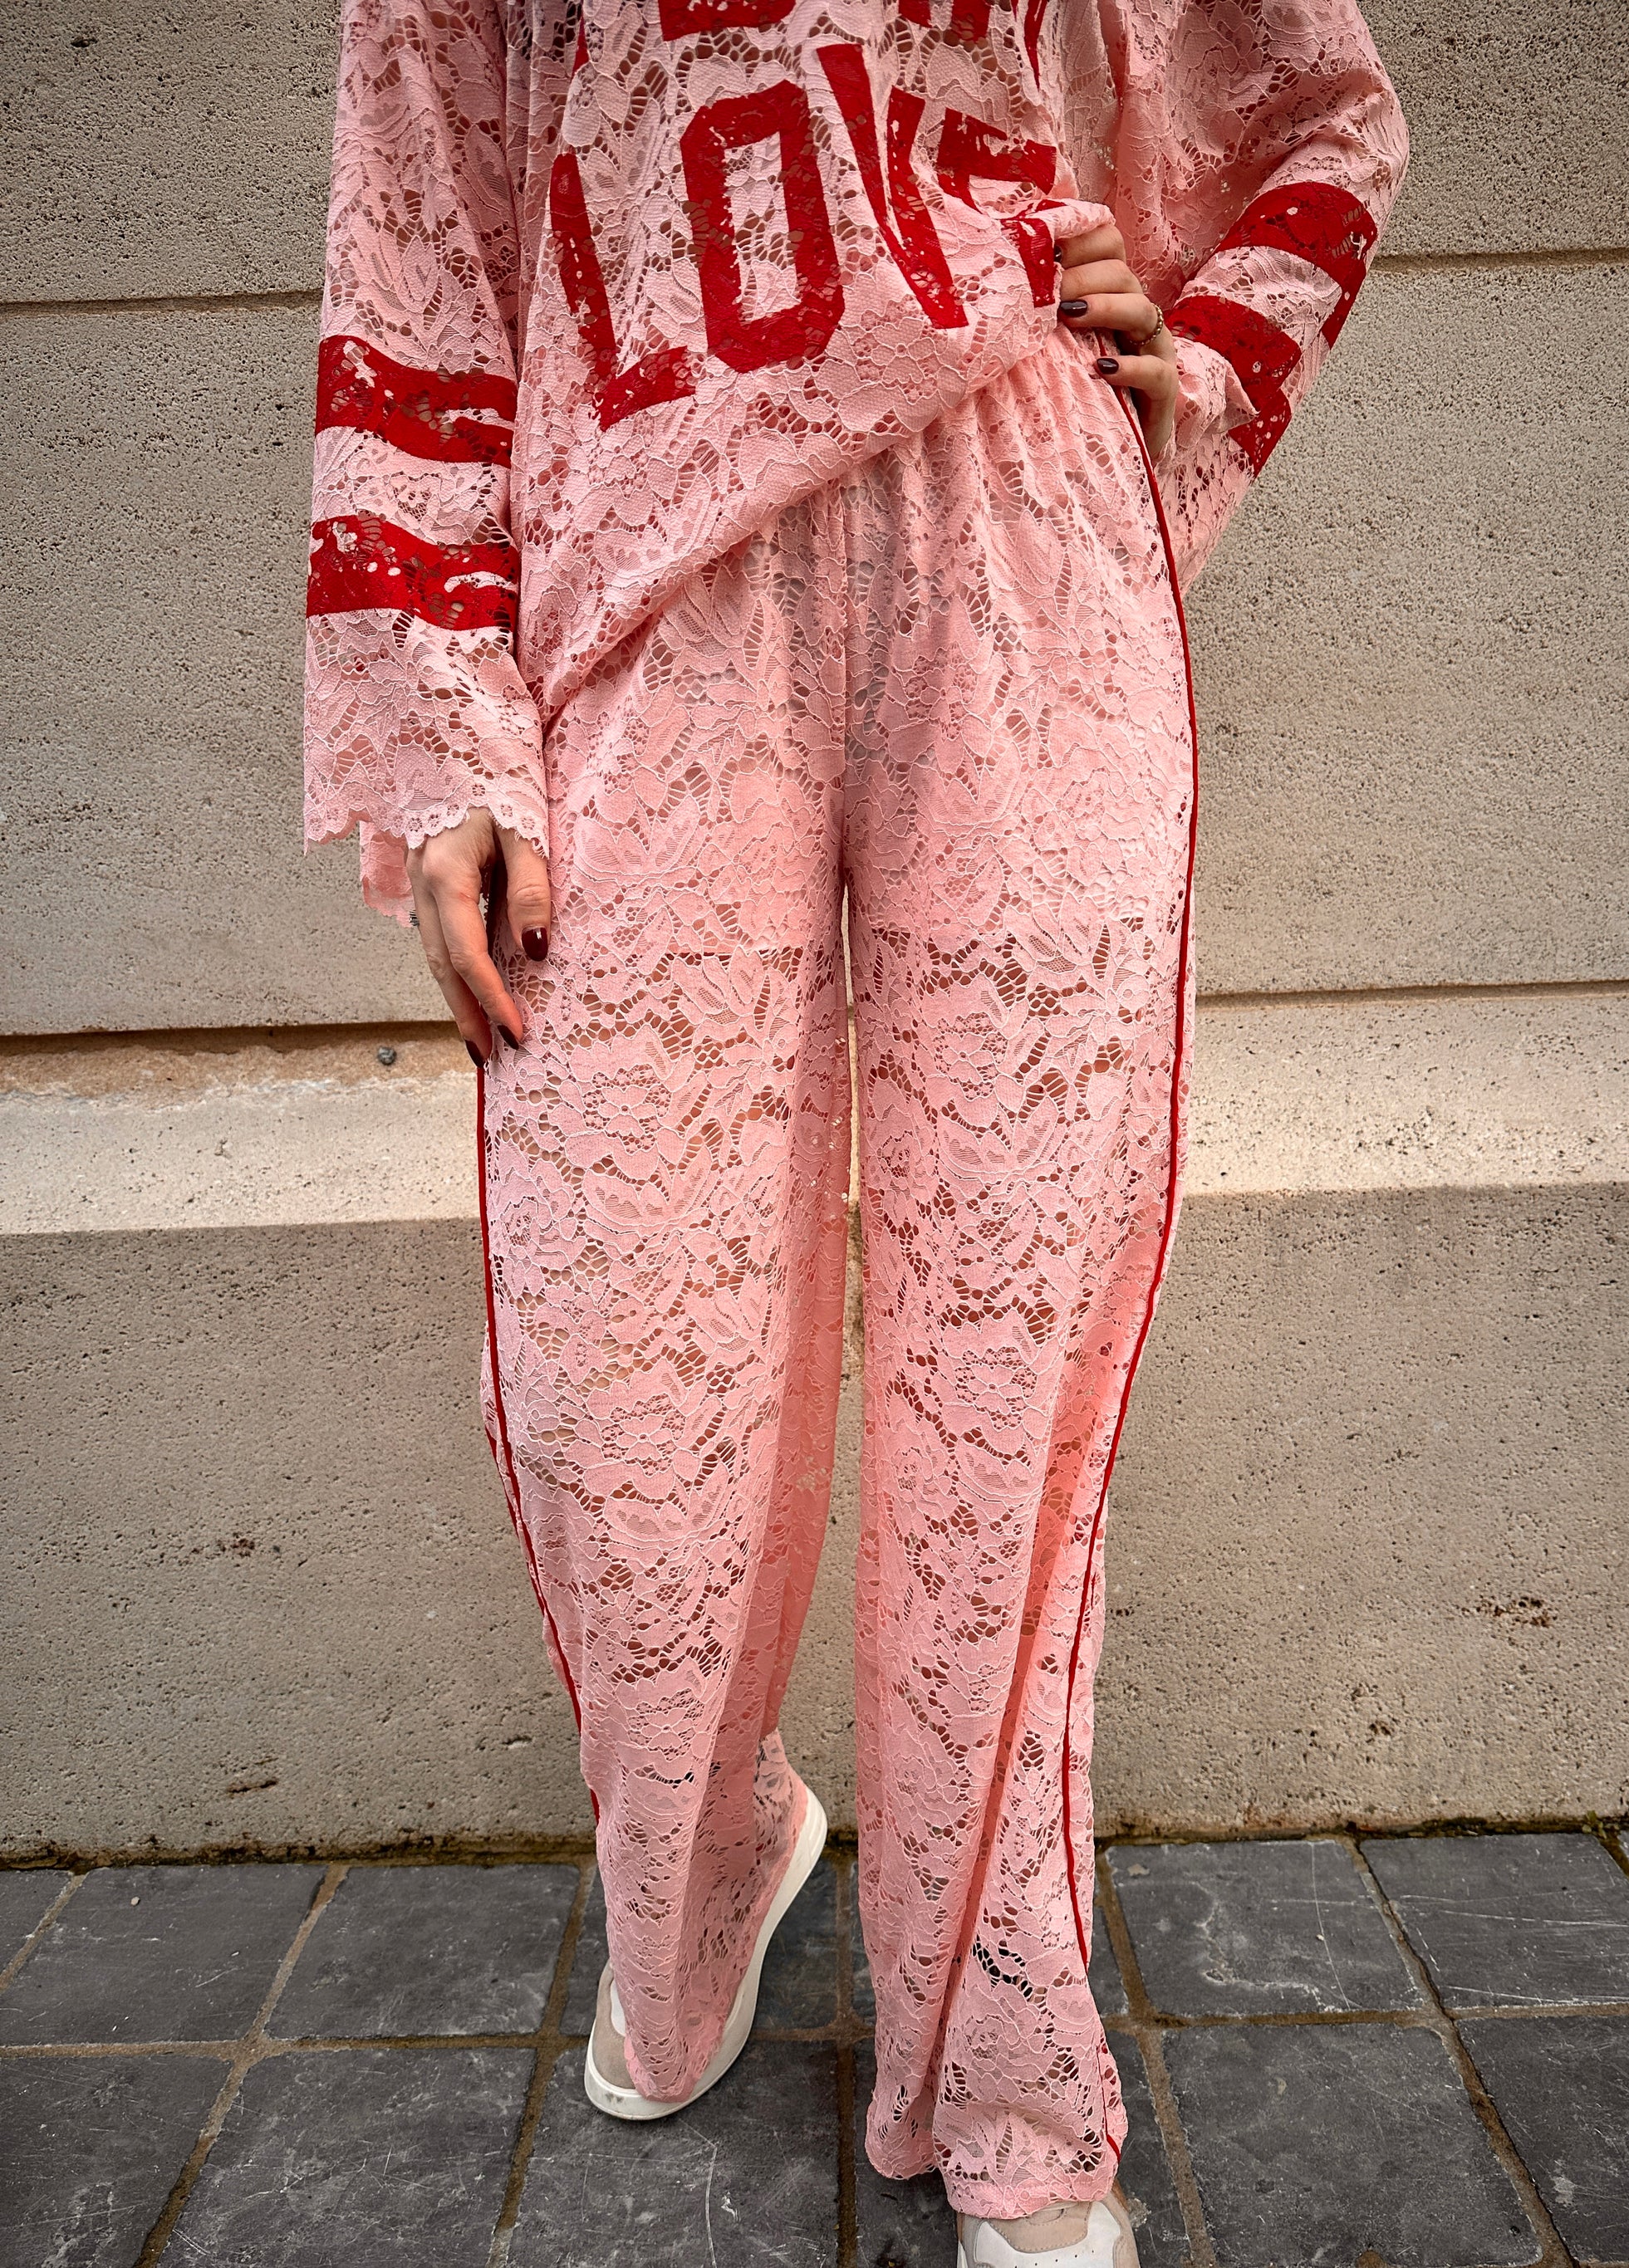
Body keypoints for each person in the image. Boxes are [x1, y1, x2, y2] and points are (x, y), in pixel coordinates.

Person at [304, 0, 1405, 2256]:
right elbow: (421, 226)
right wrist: (443, 725)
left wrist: (1199, 345)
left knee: (1008, 1375)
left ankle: (1004, 2058)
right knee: (623, 1377)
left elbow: (1316, 102)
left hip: (1020, 526)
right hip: (635, 582)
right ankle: (709, 1867)